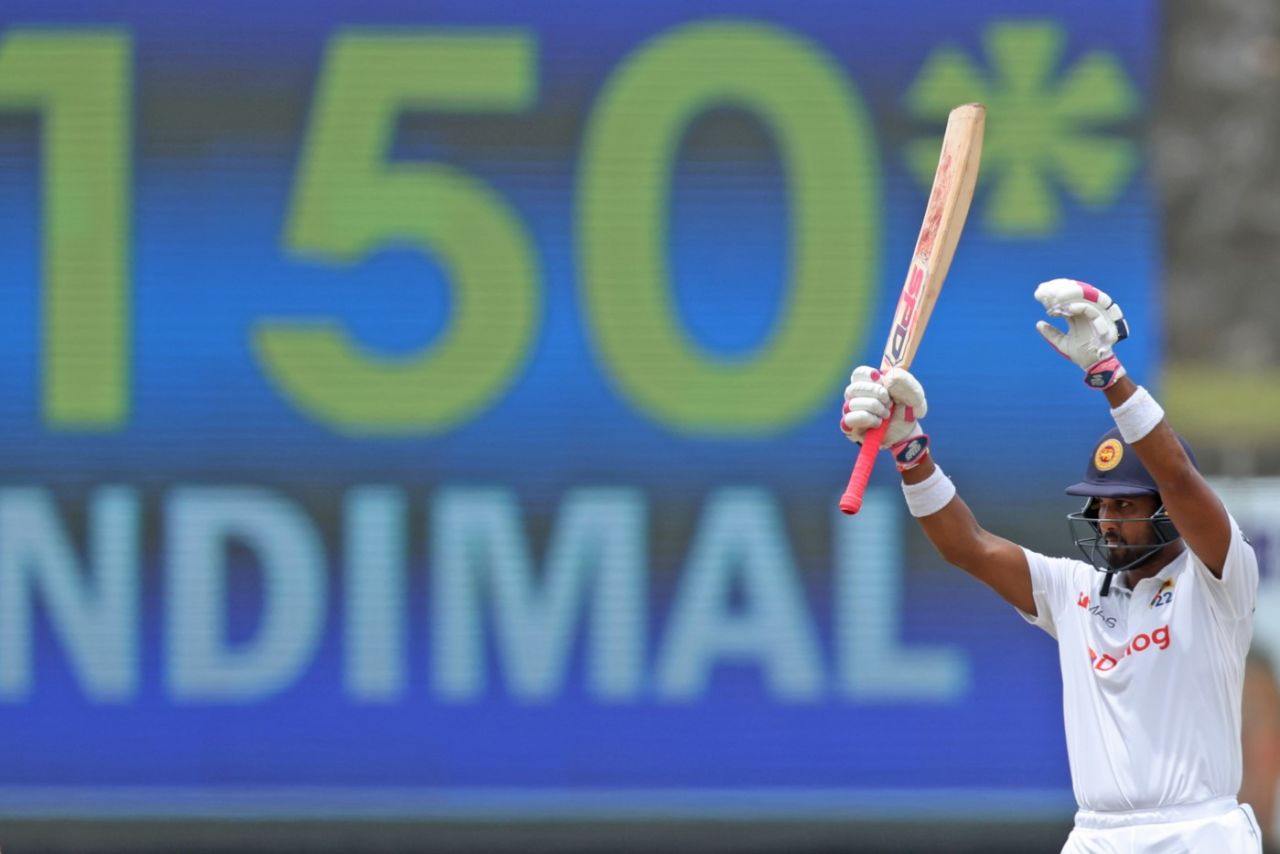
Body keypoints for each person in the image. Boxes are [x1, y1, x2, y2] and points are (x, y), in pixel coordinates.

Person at [840, 279, 1262, 852]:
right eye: (1102, 506)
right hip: (1094, 835)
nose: (1107, 521)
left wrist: (1108, 374)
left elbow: (1179, 478)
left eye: (1125, 506)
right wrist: (909, 449)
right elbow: (968, 546)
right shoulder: (1075, 591)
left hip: (1197, 831)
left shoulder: (1218, 581)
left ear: (1166, 511)